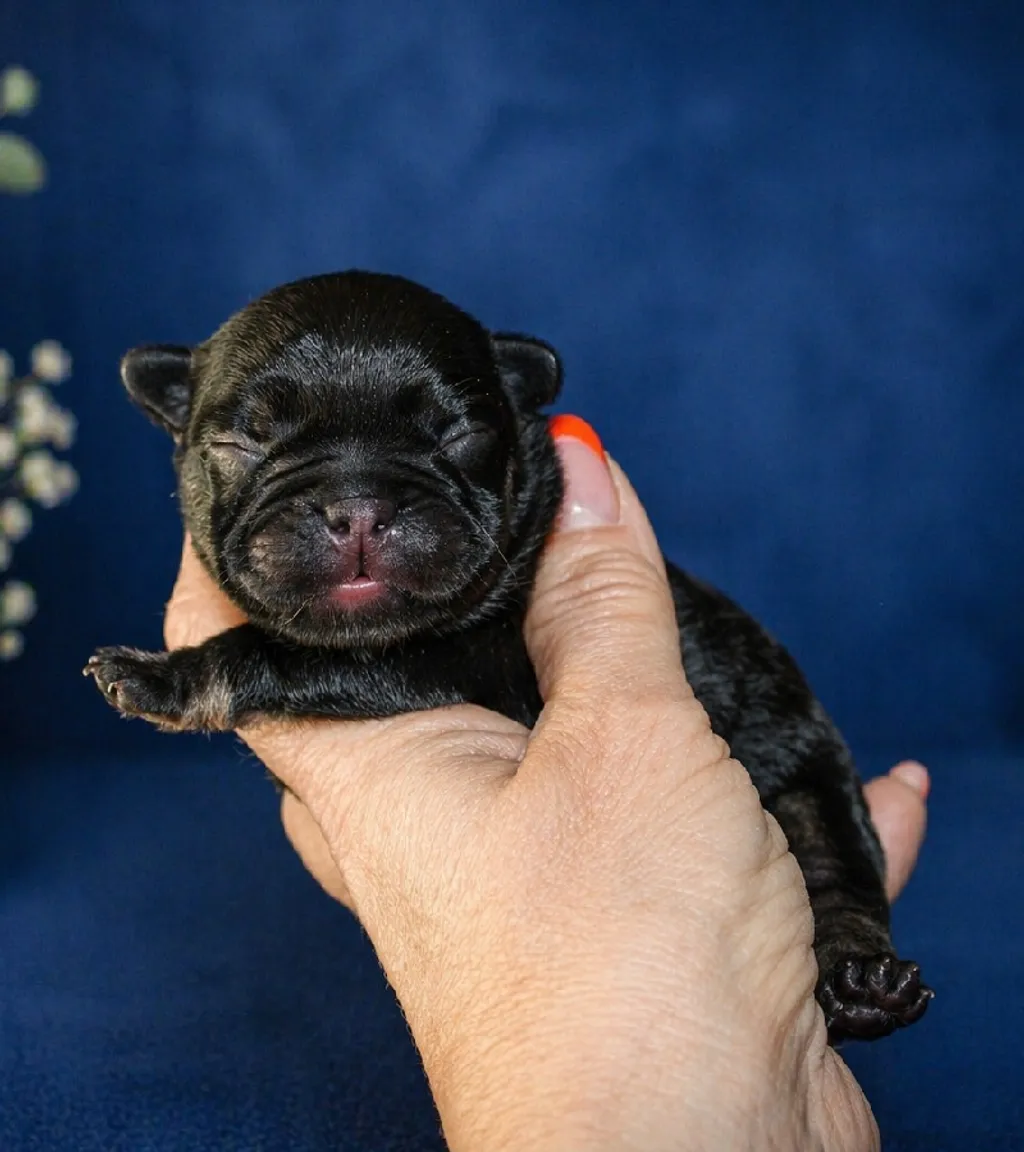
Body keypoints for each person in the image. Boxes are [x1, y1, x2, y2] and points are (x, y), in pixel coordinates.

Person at [165, 420, 929, 1151]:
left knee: (828, 859)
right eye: (250, 443)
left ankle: (845, 948)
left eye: (448, 441)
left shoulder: (517, 583)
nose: (357, 513)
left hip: (767, 777)